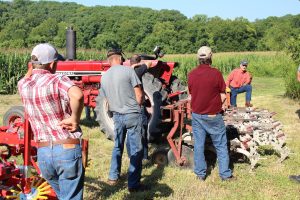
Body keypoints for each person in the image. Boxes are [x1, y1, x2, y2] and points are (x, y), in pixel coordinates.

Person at [18, 43, 85, 199]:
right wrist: (74, 118)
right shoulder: (58, 80)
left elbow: (28, 75)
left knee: (62, 196)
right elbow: (78, 95)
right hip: (66, 148)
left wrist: (32, 67)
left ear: (32, 64)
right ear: (53, 64)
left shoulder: (23, 85)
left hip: (44, 154)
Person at [100, 49, 145, 192]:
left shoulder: (104, 77)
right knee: (136, 149)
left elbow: (106, 99)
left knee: (117, 146)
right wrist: (138, 106)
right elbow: (139, 95)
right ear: (120, 58)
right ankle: (133, 184)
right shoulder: (129, 71)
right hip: (132, 114)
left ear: (109, 60)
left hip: (117, 116)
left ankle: (113, 177)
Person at [188, 46, 234, 181]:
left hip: (197, 116)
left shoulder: (191, 74)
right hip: (213, 116)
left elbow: (190, 93)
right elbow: (223, 93)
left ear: (198, 59)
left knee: (199, 145)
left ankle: (200, 174)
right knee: (220, 145)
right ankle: (225, 175)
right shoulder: (216, 74)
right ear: (210, 57)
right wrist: (220, 105)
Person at [129, 54, 153, 160]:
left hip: (129, 106)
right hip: (139, 106)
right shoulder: (138, 71)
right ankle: (144, 156)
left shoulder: (127, 71)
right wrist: (141, 64)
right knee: (143, 130)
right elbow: (150, 63)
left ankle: (132, 155)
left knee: (131, 132)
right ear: (138, 62)